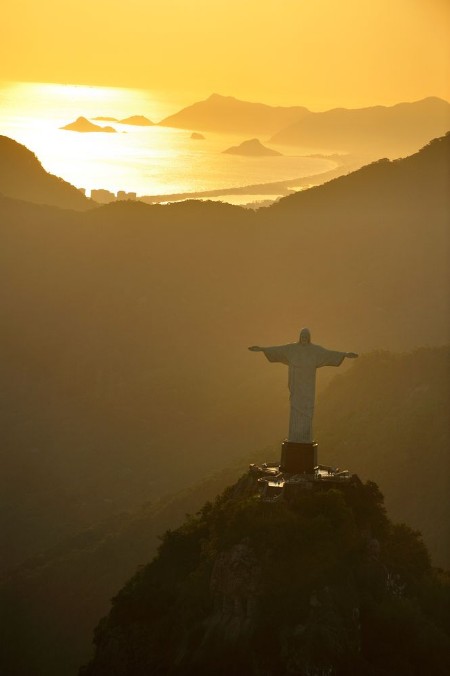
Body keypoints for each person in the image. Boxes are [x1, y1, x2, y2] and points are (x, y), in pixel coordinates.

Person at [249, 328, 358, 443]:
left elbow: (329, 354)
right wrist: (262, 349)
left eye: (306, 336)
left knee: (307, 409)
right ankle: (294, 438)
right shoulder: (291, 349)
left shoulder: (315, 350)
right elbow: (277, 349)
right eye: (302, 336)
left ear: (309, 338)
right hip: (296, 385)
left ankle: (305, 438)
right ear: (299, 337)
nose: (304, 338)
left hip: (308, 386)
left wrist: (345, 354)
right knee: (295, 408)